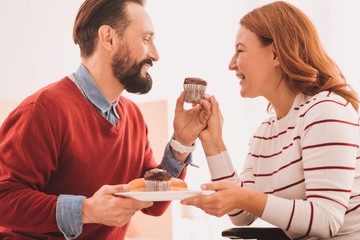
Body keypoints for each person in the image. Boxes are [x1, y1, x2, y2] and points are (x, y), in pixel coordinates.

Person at [0, 0, 211, 239]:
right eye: (145, 39)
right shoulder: (42, 111)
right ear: (108, 38)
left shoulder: (133, 117)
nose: (155, 54)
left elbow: (154, 202)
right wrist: (85, 211)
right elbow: (4, 198)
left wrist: (181, 143)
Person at [181, 1, 360, 239]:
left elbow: (326, 220)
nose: (231, 64)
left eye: (240, 50)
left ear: (275, 53)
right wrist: (213, 141)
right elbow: (241, 214)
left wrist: (244, 197)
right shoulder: (266, 131)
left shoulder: (325, 111)